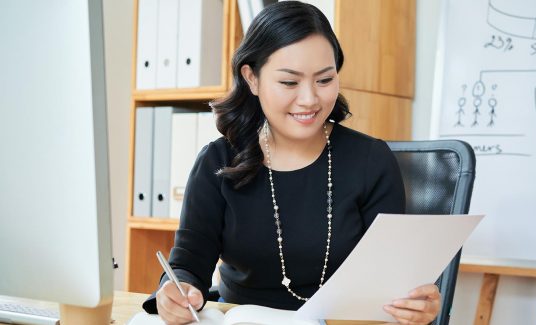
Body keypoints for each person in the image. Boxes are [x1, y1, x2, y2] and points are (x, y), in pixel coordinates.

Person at [143, 1, 440, 324]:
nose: (310, 99)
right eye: (289, 82)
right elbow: (189, 262)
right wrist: (177, 290)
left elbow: (393, 277)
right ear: (252, 78)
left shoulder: (371, 161)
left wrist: (417, 303)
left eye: (324, 80)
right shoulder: (218, 161)